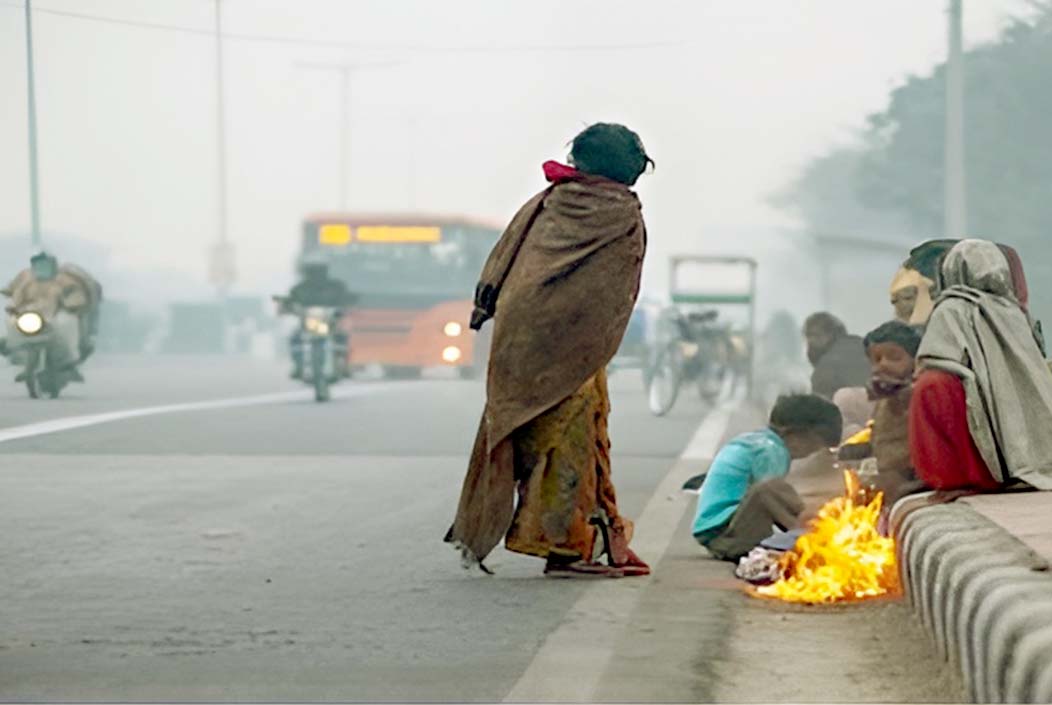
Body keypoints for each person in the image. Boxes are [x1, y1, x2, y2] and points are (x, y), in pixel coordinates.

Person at [445, 122, 654, 578]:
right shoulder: (619, 213)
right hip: (572, 346)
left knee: (546, 433)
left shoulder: (547, 204)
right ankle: (565, 550)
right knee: (571, 442)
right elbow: (612, 291)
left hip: (521, 338)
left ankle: (586, 539)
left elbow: (505, 261)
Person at [910, 240, 1052, 493]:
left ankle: (960, 476)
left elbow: (936, 357)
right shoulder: (1014, 312)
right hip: (1004, 399)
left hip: (972, 397)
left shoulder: (951, 307)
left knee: (932, 385)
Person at [692, 394, 842, 562]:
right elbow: (770, 495)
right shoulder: (770, 450)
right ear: (794, 434)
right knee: (770, 488)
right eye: (813, 445)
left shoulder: (757, 441)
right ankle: (806, 537)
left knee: (778, 493)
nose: (811, 453)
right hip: (726, 537)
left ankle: (806, 533)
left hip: (722, 532)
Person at [2, 252, 100, 378]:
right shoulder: (26, 278)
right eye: (38, 265)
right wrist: (12, 302)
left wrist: (73, 303)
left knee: (68, 321)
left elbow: (76, 293)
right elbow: (14, 290)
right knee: (12, 322)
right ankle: (15, 352)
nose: (42, 269)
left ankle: (70, 357)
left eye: (45, 265)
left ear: (53, 266)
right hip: (32, 315)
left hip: (56, 315)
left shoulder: (64, 279)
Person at [861, 320, 924, 504]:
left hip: (915, 480)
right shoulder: (884, 399)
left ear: (917, 359)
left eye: (894, 358)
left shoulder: (922, 394)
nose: (883, 365)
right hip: (889, 477)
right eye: (877, 359)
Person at [282, 257, 356, 379]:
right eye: (314, 271)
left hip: (329, 322)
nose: (316, 274)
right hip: (308, 323)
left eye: (319, 270)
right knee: (295, 339)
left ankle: (344, 365)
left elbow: (347, 299)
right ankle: (298, 366)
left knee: (342, 338)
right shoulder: (300, 288)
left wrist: (344, 308)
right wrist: (288, 308)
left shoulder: (336, 286)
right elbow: (289, 302)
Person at [803, 312, 870, 400]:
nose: (810, 342)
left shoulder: (825, 371)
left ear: (830, 334)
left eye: (815, 335)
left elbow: (821, 410)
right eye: (808, 336)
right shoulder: (866, 346)